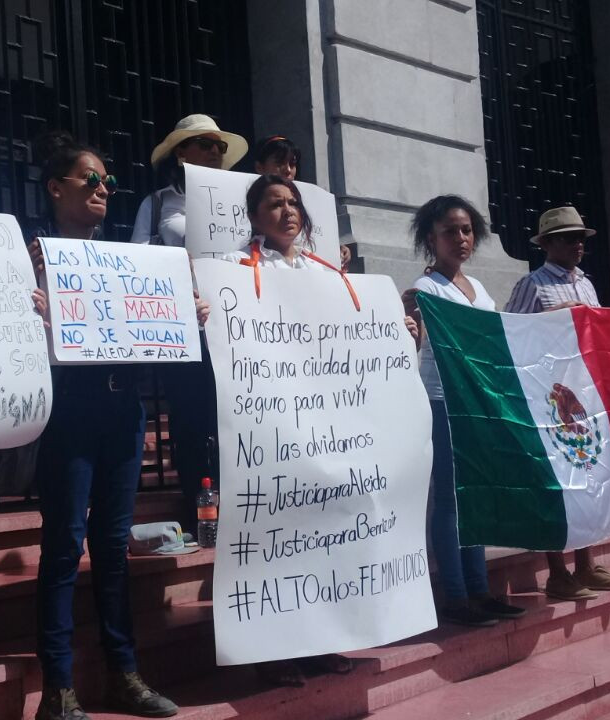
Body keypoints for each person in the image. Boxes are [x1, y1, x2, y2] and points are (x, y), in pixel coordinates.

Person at [27, 131, 209, 720]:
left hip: (123, 410)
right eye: (91, 180)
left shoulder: (131, 263)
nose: (104, 190)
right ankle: (58, 688)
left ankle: (124, 673)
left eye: (108, 182)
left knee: (111, 546)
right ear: (56, 189)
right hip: (68, 411)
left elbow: (155, 333)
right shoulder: (32, 256)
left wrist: (189, 314)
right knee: (62, 547)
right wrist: (33, 310)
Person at [226, 174, 420, 686]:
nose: (288, 211)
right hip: (272, 427)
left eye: (293, 203)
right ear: (254, 216)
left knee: (326, 535)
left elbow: (355, 342)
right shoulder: (235, 271)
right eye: (275, 203)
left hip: (327, 428)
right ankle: (273, 650)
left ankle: (324, 639)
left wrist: (396, 336)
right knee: (280, 538)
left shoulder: (329, 275)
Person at [504, 205, 610, 602]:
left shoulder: (587, 283)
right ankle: (557, 571)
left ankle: (586, 563)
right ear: (546, 243)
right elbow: (512, 333)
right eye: (568, 237)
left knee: (587, 475)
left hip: (583, 391)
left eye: (581, 237)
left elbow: (594, 331)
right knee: (555, 479)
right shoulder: (533, 284)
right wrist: (557, 316)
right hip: (548, 393)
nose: (578, 244)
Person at [404, 195, 528, 627]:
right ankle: (455, 597)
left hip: (479, 405)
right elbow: (416, 348)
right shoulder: (426, 291)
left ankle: (479, 589)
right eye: (449, 231)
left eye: (466, 230)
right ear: (430, 239)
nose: (460, 238)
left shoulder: (480, 290)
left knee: (474, 496)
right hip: (442, 402)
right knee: (450, 500)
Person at [130, 114, 247, 530]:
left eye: (218, 145)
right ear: (181, 153)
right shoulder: (157, 203)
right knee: (190, 417)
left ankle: (240, 503)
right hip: (185, 332)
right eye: (204, 143)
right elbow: (139, 258)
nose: (214, 151)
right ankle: (197, 505)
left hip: (236, 330)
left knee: (236, 416)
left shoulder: (240, 205)